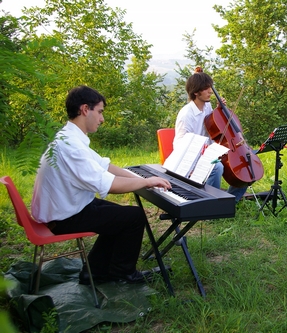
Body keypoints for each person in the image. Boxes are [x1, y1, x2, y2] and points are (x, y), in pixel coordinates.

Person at [31, 85, 172, 285]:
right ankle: (123, 274)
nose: (102, 118)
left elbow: (104, 165)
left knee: (120, 216)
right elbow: (110, 185)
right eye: (99, 112)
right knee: (134, 217)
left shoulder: (69, 138)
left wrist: (137, 175)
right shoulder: (71, 146)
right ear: (84, 109)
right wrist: (147, 182)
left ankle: (94, 272)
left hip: (68, 207)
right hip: (63, 217)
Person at [174, 67, 248, 202]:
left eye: (210, 87)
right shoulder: (186, 115)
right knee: (217, 166)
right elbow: (179, 145)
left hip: (209, 151)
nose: (210, 91)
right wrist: (203, 153)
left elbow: (213, 124)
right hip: (193, 157)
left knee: (246, 161)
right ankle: (211, 204)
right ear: (196, 92)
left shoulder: (207, 105)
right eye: (206, 88)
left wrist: (219, 110)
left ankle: (230, 201)